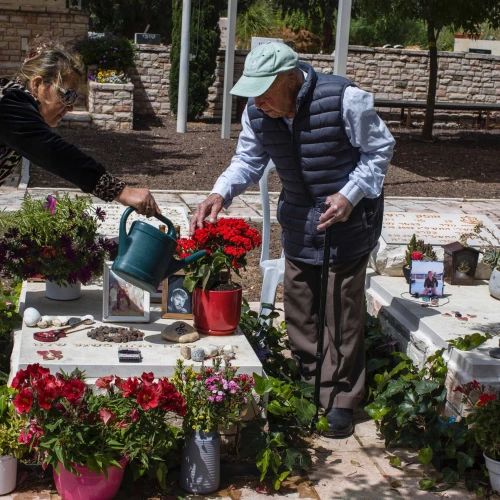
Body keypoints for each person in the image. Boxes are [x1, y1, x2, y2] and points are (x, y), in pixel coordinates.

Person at [190, 42, 395, 437]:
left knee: (341, 310)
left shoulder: (345, 99)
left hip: (349, 221)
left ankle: (342, 399)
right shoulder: (259, 110)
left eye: (265, 91)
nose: (259, 102)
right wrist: (219, 193)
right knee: (300, 305)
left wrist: (350, 195)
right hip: (301, 220)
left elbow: (379, 150)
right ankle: (311, 383)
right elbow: (249, 160)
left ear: (290, 79)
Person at [0, 38, 159, 215]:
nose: (70, 107)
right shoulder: (8, 103)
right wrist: (121, 191)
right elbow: (51, 151)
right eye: (66, 95)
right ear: (37, 85)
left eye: (74, 99)